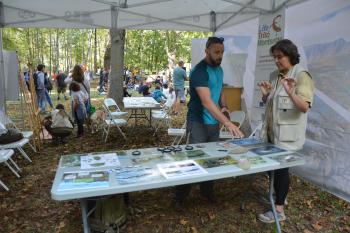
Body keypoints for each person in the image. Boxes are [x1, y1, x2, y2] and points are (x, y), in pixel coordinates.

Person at [173, 37, 244, 206]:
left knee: (212, 158)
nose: (220, 56)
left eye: (222, 52)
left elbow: (219, 90)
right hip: (197, 123)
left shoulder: (219, 70)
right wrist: (227, 123)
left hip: (213, 124)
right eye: (216, 52)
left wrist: (224, 106)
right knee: (192, 159)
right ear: (207, 51)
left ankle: (207, 192)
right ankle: (180, 197)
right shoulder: (198, 71)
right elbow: (206, 101)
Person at [257, 39, 315, 223]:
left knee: (281, 171)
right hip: (272, 134)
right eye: (274, 57)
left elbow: (304, 107)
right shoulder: (275, 75)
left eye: (279, 56)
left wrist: (291, 92)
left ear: (290, 55)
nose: (276, 60)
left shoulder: (302, 75)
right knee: (271, 168)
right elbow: (271, 105)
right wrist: (266, 95)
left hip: (287, 137)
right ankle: (279, 196)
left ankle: (279, 210)